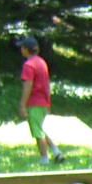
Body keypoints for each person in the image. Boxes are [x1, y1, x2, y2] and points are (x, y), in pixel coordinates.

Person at [18, 34, 62, 163]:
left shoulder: (29, 65)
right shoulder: (41, 62)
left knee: (37, 131)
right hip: (43, 101)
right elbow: (46, 84)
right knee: (39, 128)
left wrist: (22, 104)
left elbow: (28, 86)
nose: (21, 50)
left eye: (22, 47)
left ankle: (44, 159)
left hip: (34, 102)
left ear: (26, 49)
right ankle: (56, 152)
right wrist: (48, 102)